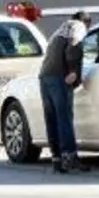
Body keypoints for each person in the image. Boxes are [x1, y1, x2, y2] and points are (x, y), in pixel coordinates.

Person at [40, 11, 90, 174]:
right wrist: (73, 70)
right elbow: (74, 45)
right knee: (64, 118)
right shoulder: (78, 26)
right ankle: (70, 157)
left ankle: (57, 159)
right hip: (59, 77)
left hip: (45, 76)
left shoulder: (60, 30)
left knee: (52, 119)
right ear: (86, 22)